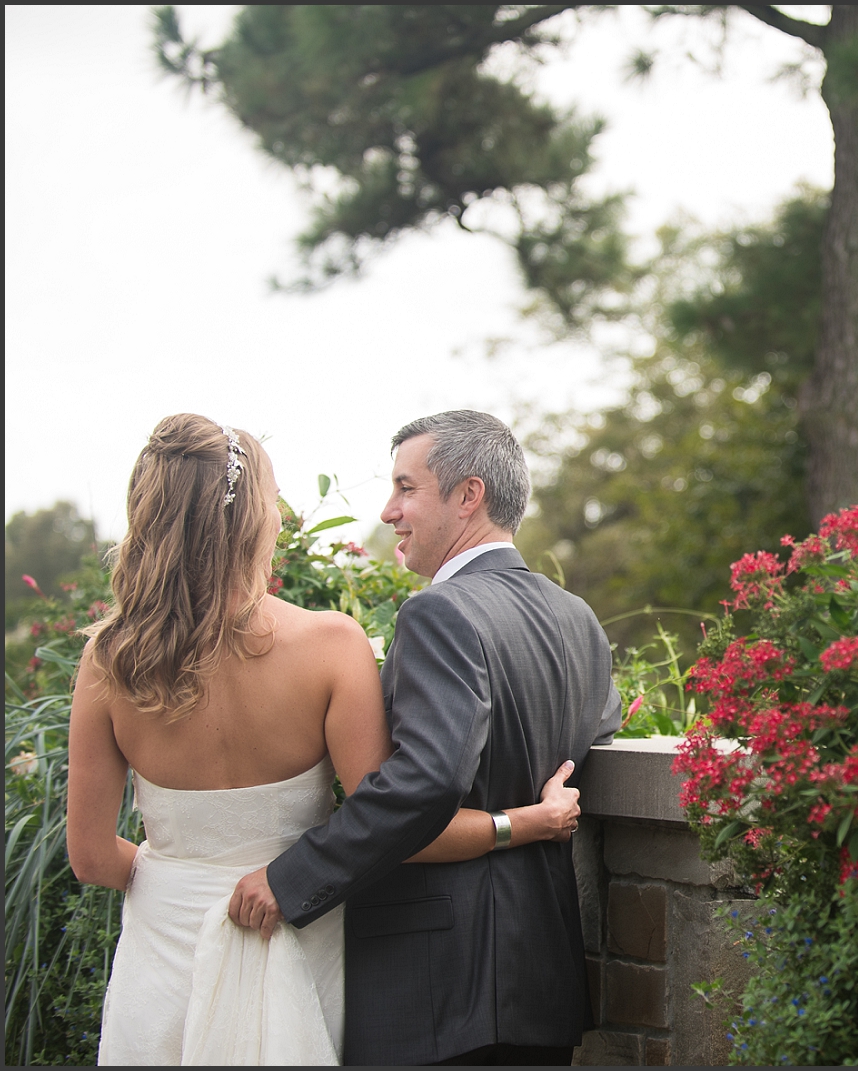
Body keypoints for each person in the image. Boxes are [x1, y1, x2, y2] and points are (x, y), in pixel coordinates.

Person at [66, 414, 581, 1065]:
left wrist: (174, 877)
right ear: (254, 516)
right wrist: (521, 822)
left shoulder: (107, 661)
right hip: (298, 935)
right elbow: (395, 821)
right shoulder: (330, 644)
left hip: (165, 944)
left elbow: (89, 856)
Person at [230, 409, 622, 1066]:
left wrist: (294, 876)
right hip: (540, 973)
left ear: (469, 495)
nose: (388, 510)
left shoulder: (438, 610)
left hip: (440, 984)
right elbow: (592, 741)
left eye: (406, 487)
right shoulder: (575, 616)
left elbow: (426, 780)